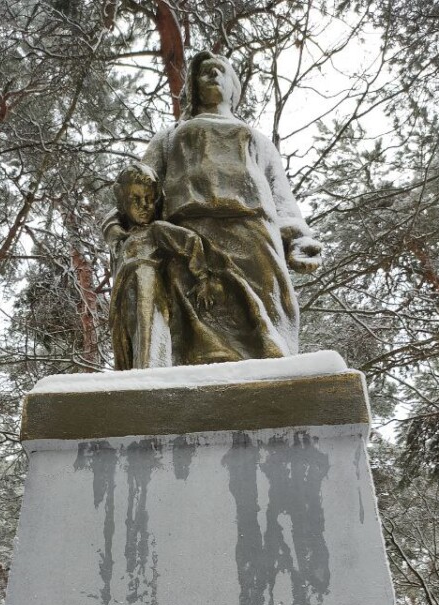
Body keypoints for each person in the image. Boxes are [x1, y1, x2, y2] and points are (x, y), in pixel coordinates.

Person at [104, 51, 322, 367]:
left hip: (254, 236)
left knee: (265, 333)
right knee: (195, 337)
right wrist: (116, 226)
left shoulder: (257, 141)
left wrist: (300, 240)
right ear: (192, 87)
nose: (212, 75)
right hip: (189, 238)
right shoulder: (170, 136)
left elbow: (282, 199)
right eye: (205, 71)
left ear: (234, 87)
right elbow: (136, 186)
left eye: (220, 70)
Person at [106, 162, 223, 370]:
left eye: (150, 200)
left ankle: (151, 373)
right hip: (124, 292)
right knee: (127, 341)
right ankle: (133, 375)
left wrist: (203, 277)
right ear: (123, 202)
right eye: (136, 199)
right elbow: (108, 222)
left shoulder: (157, 229)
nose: (144, 206)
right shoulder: (123, 236)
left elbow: (190, 241)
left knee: (149, 331)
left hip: (147, 283)